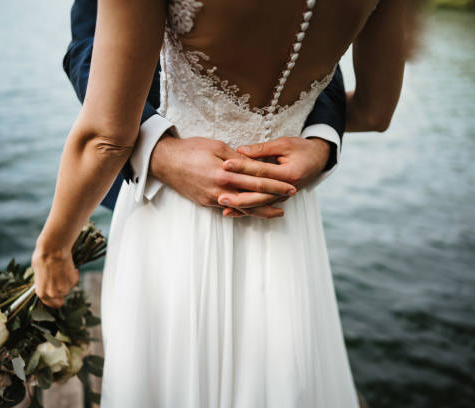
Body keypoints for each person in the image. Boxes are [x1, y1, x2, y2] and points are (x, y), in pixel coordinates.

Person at [32, 0, 411, 406]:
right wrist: (160, 151)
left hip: (173, 223)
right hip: (285, 219)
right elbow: (374, 111)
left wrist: (55, 247)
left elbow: (105, 139)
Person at [61, 0, 347, 217]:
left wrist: (322, 144)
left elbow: (320, 60)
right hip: (160, 187)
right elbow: (90, 43)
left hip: (285, 195)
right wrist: (158, 151)